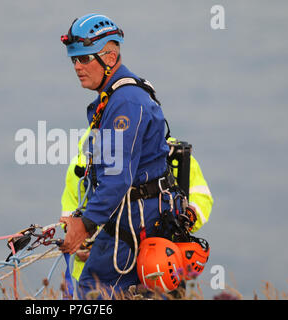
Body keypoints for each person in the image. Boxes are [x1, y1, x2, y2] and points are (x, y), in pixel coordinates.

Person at [58, 13, 183, 298]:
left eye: (85, 58)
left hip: (136, 218)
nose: (77, 67)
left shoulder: (125, 101)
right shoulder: (113, 97)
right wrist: (89, 219)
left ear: (110, 57)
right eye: (73, 60)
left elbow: (117, 177)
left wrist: (86, 225)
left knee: (94, 291)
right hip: (135, 215)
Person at [60, 128, 214, 287]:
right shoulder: (81, 166)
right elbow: (70, 215)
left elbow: (201, 197)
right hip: (98, 275)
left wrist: (185, 221)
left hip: (162, 267)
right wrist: (80, 244)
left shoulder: (170, 154)